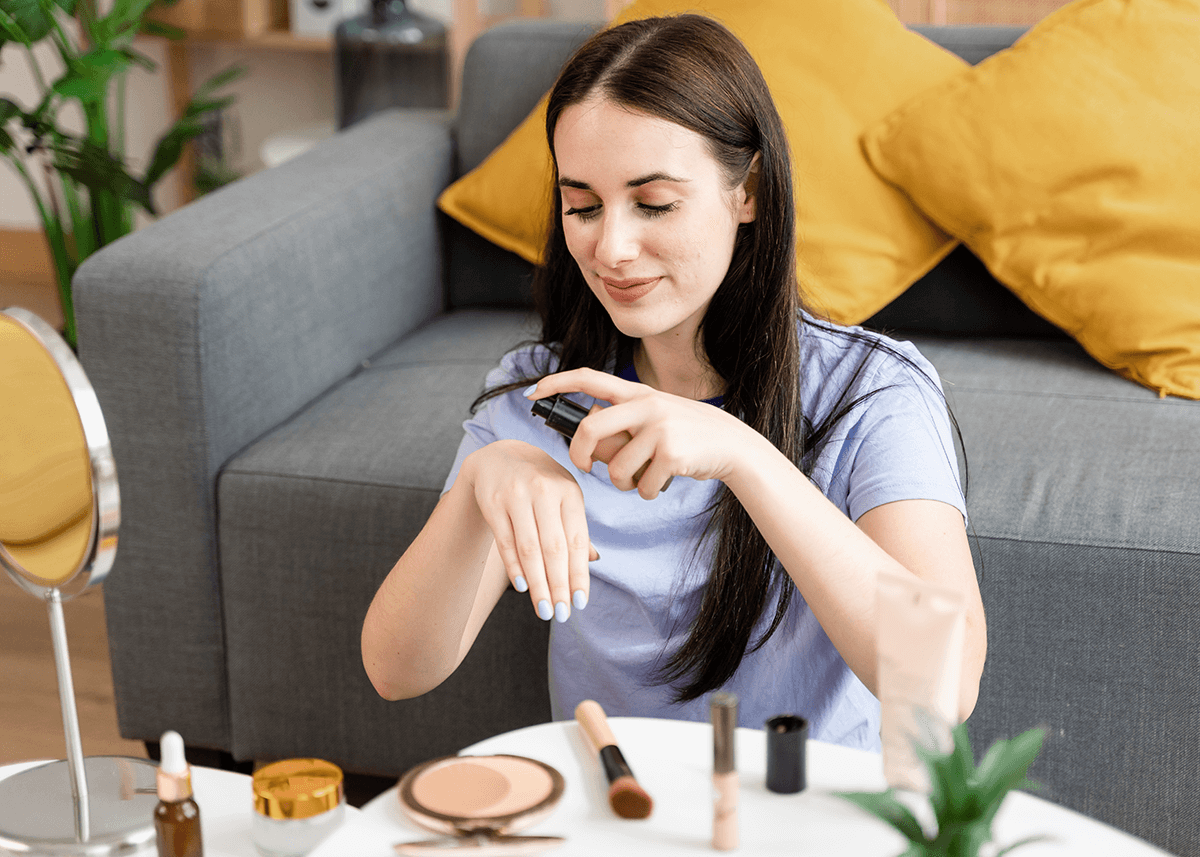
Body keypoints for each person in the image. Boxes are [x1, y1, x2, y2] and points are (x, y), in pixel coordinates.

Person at [361, 13, 986, 751]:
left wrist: (740, 453)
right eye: (582, 205)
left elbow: (945, 684)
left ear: (745, 190)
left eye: (654, 202)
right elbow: (397, 670)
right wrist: (479, 486)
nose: (612, 247)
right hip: (621, 814)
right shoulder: (545, 398)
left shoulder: (871, 392)